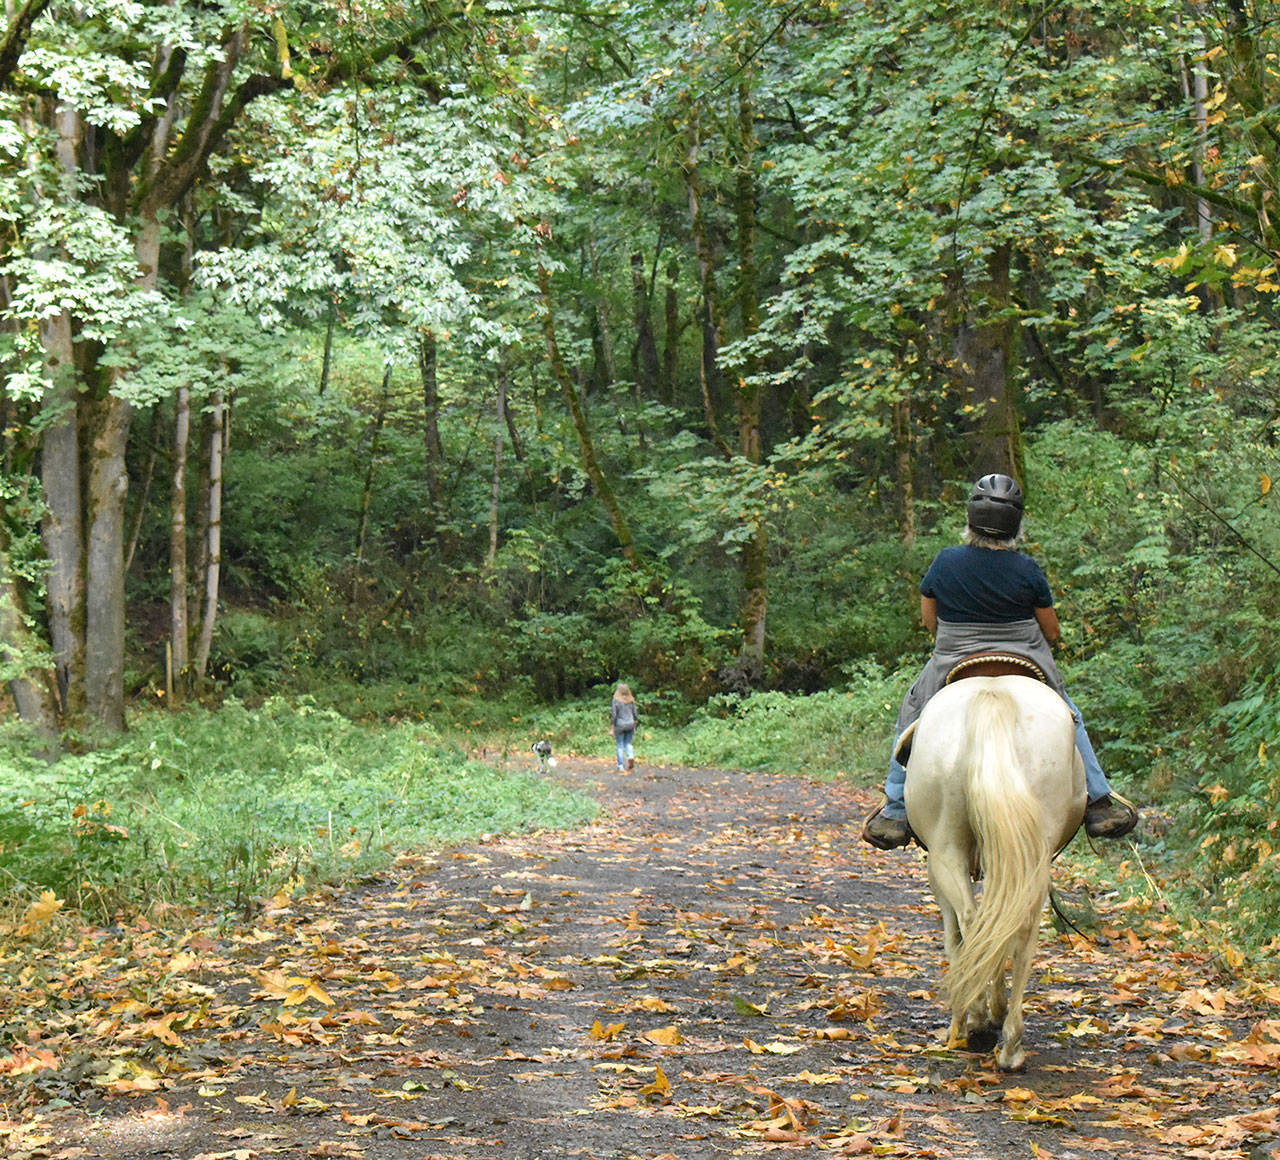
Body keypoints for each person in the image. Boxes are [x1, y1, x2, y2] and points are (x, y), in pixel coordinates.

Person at [862, 473, 1139, 850]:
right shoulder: (1027, 569)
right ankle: (1099, 800)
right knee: (1069, 716)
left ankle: (895, 809)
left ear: (970, 520)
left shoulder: (946, 562)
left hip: (954, 657)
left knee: (912, 712)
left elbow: (930, 621)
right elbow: (1052, 632)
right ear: (1016, 526)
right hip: (1025, 656)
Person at [610, 683, 639, 772]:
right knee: (628, 743)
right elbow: (635, 714)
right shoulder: (631, 700)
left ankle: (621, 766)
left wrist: (611, 729)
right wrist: (635, 725)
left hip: (620, 725)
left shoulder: (616, 701)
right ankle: (630, 757)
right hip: (630, 724)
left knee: (620, 745)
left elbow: (614, 715)